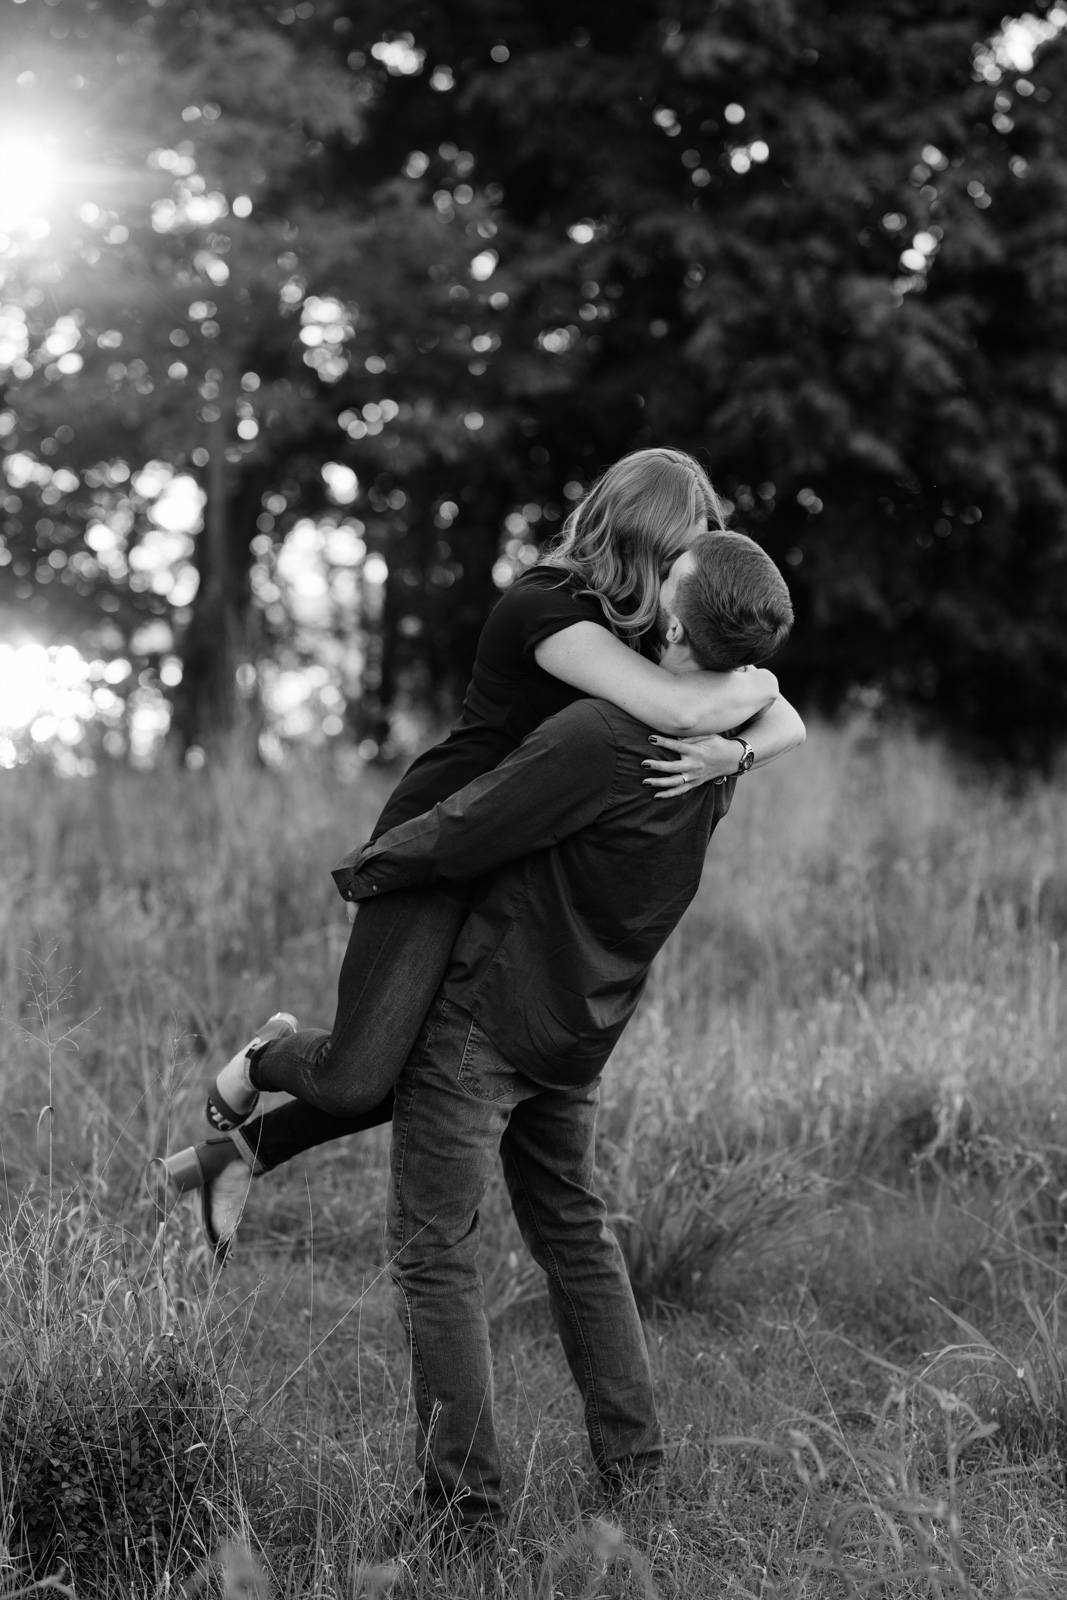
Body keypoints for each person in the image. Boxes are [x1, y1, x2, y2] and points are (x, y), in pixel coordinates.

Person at [151, 450, 802, 1249]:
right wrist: (753, 692)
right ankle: (263, 1058)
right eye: (683, 552)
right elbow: (679, 707)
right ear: (643, 538)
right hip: (440, 838)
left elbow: (784, 718)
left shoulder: (651, 624)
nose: (690, 573)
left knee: (434, 1070)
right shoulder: (550, 607)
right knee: (358, 1077)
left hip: (511, 859)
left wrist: (734, 750)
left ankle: (230, 1161)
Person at [331, 530, 798, 1532]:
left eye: (666, 578)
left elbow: (472, 824)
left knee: (434, 1252)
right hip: (578, 1031)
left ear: (672, 620)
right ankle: (635, 1477)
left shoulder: (596, 736)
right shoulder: (719, 748)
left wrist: (369, 868)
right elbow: (766, 704)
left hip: (486, 1020)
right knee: (578, 1241)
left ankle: (464, 1510)